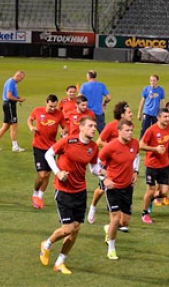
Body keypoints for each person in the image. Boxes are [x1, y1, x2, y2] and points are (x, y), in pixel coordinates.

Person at [39, 116, 102, 275]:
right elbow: (48, 154)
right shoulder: (68, 141)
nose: (93, 128)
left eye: (94, 126)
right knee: (67, 228)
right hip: (64, 190)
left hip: (80, 191)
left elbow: (93, 168)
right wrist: (58, 172)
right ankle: (46, 245)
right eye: (90, 126)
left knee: (76, 229)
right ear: (81, 128)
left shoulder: (93, 147)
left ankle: (60, 262)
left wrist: (102, 173)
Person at [87, 101, 133, 225]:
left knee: (109, 189)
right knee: (102, 189)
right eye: (129, 112)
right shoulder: (111, 126)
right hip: (109, 164)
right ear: (122, 114)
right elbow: (99, 142)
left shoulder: (129, 126)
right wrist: (115, 149)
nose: (132, 114)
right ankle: (93, 207)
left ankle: (117, 222)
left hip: (122, 165)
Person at [99, 119, 139, 260]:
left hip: (127, 187)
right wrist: (105, 179)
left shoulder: (134, 143)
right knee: (115, 219)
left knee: (124, 222)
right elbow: (96, 164)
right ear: (119, 131)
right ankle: (111, 248)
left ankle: (108, 228)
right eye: (127, 130)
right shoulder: (110, 147)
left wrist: (135, 171)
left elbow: (137, 155)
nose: (130, 133)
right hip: (113, 187)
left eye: (131, 130)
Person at [27, 94, 66, 209]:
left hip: (51, 148)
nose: (52, 109)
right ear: (46, 102)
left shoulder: (59, 114)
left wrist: (63, 132)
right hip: (38, 146)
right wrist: (31, 126)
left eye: (54, 107)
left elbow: (64, 127)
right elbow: (30, 118)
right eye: (50, 106)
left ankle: (40, 197)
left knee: (48, 174)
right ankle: (35, 193)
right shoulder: (38, 111)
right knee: (42, 174)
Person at [139, 108, 169, 224]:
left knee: (164, 193)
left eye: (168, 116)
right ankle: (145, 213)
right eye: (165, 117)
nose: (168, 119)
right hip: (152, 165)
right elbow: (141, 145)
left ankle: (150, 200)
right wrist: (155, 149)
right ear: (158, 117)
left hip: (164, 164)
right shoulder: (151, 130)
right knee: (151, 190)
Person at [0, 71, 26, 152]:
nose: (20, 80)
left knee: (6, 126)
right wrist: (18, 99)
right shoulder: (11, 82)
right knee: (14, 125)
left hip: (9, 105)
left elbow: (11, 95)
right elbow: (9, 96)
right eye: (21, 79)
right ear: (17, 76)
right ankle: (15, 146)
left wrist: (17, 97)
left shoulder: (12, 82)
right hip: (9, 105)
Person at [137, 74, 166, 139]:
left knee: (156, 129)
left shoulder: (161, 90)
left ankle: (154, 142)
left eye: (154, 80)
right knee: (144, 128)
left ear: (157, 81)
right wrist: (139, 113)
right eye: (151, 80)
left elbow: (163, 102)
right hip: (147, 112)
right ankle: (141, 142)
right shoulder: (146, 89)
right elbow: (142, 101)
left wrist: (163, 113)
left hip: (155, 113)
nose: (152, 82)